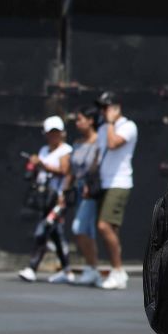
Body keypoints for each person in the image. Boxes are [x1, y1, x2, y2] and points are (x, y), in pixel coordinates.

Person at [90, 91, 138, 290]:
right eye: (101, 108)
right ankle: (116, 271)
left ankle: (118, 270)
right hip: (104, 183)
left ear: (116, 108)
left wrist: (110, 123)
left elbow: (113, 143)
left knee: (103, 226)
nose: (102, 112)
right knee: (111, 230)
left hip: (120, 183)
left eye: (106, 107)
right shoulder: (102, 129)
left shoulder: (128, 126)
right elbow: (99, 156)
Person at [18, 116, 74, 283]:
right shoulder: (44, 150)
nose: (53, 136)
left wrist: (41, 164)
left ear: (62, 133)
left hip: (57, 199)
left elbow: (64, 171)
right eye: (51, 133)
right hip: (44, 199)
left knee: (43, 231)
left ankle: (31, 268)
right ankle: (67, 271)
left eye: (56, 132)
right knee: (55, 234)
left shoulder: (66, 150)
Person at [62, 106, 102, 286]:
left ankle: (93, 268)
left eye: (80, 119)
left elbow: (98, 168)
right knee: (86, 231)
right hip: (77, 190)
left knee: (80, 228)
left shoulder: (99, 143)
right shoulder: (77, 143)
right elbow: (71, 171)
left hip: (90, 191)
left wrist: (90, 185)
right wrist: (64, 190)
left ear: (90, 121)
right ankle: (91, 268)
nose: (77, 123)